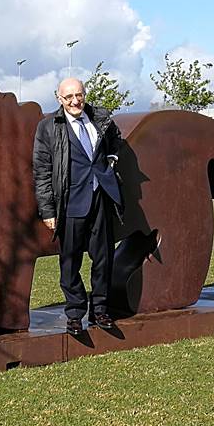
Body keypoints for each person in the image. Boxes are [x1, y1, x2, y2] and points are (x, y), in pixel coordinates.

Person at [32, 77, 123, 335]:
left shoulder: (99, 117)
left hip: (100, 197)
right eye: (69, 97)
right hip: (69, 203)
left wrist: (112, 157)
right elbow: (42, 171)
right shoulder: (48, 127)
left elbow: (115, 137)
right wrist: (47, 210)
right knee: (70, 262)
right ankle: (74, 313)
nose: (75, 101)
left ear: (85, 94)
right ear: (59, 99)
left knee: (104, 259)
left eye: (79, 95)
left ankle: (101, 311)